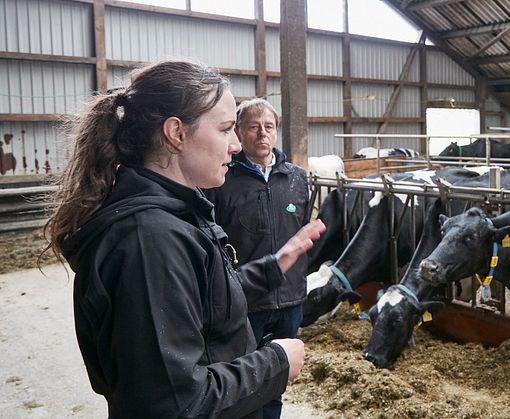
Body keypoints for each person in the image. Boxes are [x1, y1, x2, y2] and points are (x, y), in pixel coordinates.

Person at [44, 60, 325, 418]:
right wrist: (276, 363)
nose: (237, 145)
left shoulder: (179, 213)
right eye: (226, 129)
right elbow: (174, 404)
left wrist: (275, 265)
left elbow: (204, 296)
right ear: (176, 133)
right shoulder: (149, 241)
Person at [204, 98, 310, 419]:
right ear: (239, 132)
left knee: (277, 377)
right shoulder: (222, 181)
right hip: (245, 299)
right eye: (253, 127)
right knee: (245, 379)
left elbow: (302, 229)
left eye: (269, 127)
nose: (262, 134)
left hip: (290, 298)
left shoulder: (297, 178)